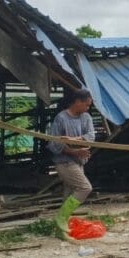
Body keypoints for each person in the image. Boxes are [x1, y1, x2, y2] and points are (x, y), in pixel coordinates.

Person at [47, 88, 96, 238]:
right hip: (65, 162)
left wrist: (75, 140)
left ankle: (60, 231)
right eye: (86, 105)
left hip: (79, 162)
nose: (88, 108)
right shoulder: (61, 118)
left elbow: (91, 136)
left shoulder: (86, 117)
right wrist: (73, 151)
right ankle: (61, 218)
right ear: (77, 102)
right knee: (84, 188)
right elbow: (54, 144)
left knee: (68, 194)